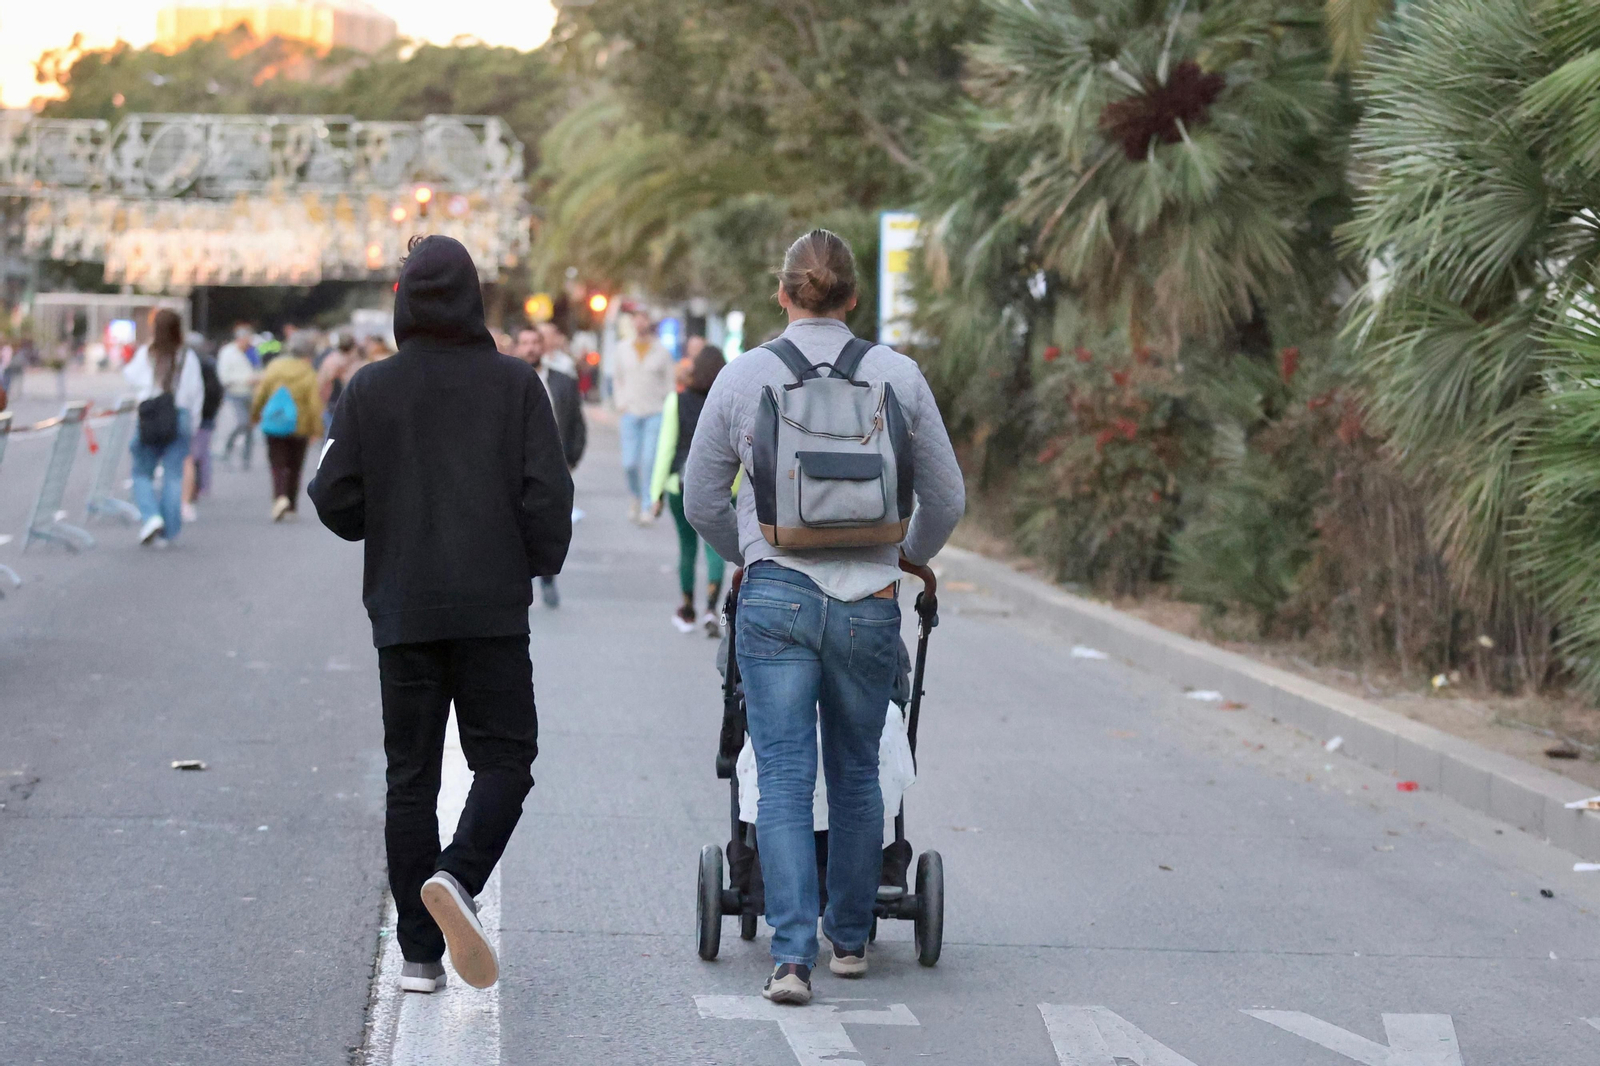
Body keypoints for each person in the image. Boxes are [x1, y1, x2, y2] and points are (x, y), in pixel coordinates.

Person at [684, 229, 965, 1005]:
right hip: (867, 601)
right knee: (855, 768)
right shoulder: (898, 376)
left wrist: (750, 549)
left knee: (781, 776)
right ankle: (851, 939)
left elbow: (700, 494)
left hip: (775, 595)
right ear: (852, 298)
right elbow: (947, 497)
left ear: (782, 295)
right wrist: (902, 555)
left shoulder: (745, 377)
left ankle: (791, 958)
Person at [308, 234, 572, 996]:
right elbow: (548, 496)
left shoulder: (368, 389)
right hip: (491, 606)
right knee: (505, 759)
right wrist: (529, 561)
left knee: (410, 777)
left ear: (403, 302)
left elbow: (333, 495)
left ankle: (420, 957)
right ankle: (458, 877)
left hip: (403, 607)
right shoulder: (516, 384)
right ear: (473, 296)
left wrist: (380, 524)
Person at [650, 344, 728, 636]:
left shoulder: (677, 401)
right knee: (715, 549)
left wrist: (655, 493)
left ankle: (686, 609)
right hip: (723, 485)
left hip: (680, 484)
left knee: (686, 547)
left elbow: (666, 448)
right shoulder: (727, 400)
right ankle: (711, 608)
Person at [514, 326, 587, 609]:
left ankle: (547, 577)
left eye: (535, 342)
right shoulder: (507, 381)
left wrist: (572, 458)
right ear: (518, 347)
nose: (530, 348)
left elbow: (577, 424)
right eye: (525, 342)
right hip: (516, 465)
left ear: (543, 346)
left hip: (553, 465)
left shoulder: (562, 382)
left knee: (545, 520)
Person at [124, 309, 205, 547]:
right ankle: (169, 532)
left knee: (141, 471)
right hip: (178, 416)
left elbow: (131, 378)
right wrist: (194, 423)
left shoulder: (147, 353)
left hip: (150, 416)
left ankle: (151, 516)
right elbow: (195, 393)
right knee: (173, 475)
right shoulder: (186, 357)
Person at [250, 331, 322, 521]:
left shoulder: (274, 366)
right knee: (295, 466)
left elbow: (261, 393)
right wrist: (317, 429)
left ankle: (279, 497)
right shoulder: (307, 371)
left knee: (277, 463)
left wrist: (255, 414)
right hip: (300, 425)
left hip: (275, 422)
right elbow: (314, 403)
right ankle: (291, 504)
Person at [612, 310, 674, 524]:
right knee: (629, 462)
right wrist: (621, 402)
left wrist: (667, 409)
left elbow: (669, 385)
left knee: (649, 461)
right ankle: (635, 496)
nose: (640, 323)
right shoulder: (622, 348)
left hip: (654, 412)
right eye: (636, 319)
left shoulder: (662, 351)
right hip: (630, 412)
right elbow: (617, 378)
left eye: (644, 318)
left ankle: (648, 506)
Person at [182, 337, 226, 522]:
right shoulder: (208, 364)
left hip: (198, 414)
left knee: (192, 456)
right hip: (205, 415)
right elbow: (217, 391)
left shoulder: (191, 365)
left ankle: (194, 490)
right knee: (201, 454)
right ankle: (201, 486)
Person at [317, 333, 363, 434]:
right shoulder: (356, 362)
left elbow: (322, 384)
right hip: (343, 404)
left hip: (333, 404)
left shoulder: (330, 360)